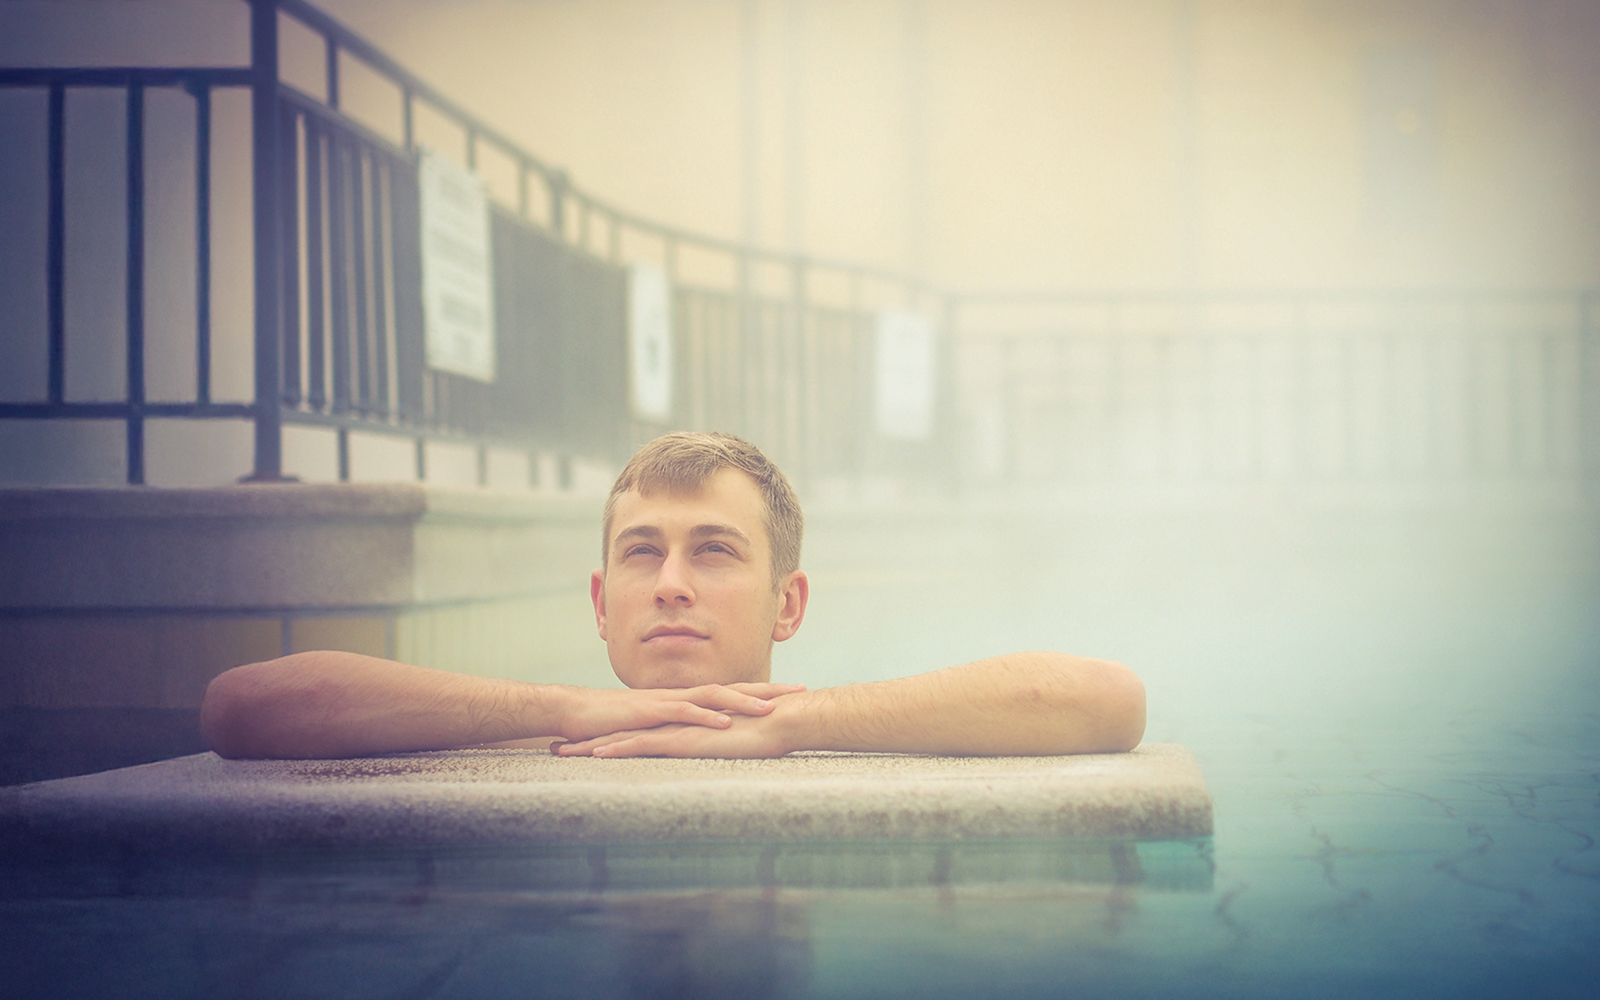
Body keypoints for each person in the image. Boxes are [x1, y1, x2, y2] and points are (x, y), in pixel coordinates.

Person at [201, 432, 1145, 760]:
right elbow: (243, 707)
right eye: (643, 554)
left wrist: (792, 724)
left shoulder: (833, 721)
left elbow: (1107, 700)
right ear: (601, 600)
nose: (673, 585)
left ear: (789, 606)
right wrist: (566, 707)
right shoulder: (556, 721)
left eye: (716, 551)